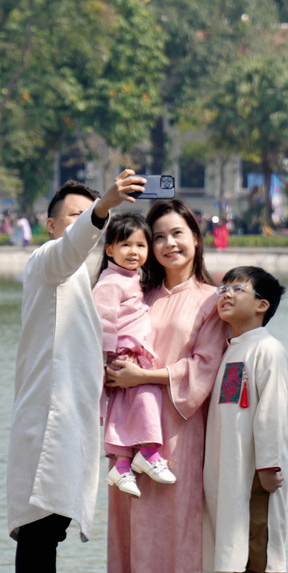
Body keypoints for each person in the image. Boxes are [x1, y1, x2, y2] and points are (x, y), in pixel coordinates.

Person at [4, 174, 143, 573]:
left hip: (67, 418)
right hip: (49, 417)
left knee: (49, 527)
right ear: (50, 225)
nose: (87, 223)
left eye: (93, 215)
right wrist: (103, 206)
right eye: (75, 215)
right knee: (40, 529)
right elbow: (71, 246)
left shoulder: (86, 279)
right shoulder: (49, 260)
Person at [103, 199, 229, 573]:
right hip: (130, 429)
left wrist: (144, 377)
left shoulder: (212, 300)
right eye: (158, 236)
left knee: (174, 531)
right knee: (129, 529)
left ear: (196, 237)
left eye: (177, 233)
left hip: (178, 430)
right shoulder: (135, 292)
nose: (168, 244)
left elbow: (204, 367)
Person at [203, 266, 288, 573]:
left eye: (237, 289)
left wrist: (269, 465)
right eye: (223, 287)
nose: (226, 294)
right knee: (229, 552)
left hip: (258, 474)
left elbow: (272, 412)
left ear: (261, 305)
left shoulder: (267, 349)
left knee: (264, 552)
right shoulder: (227, 349)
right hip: (225, 474)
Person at [93, 212, 177, 498]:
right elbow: (103, 322)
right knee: (146, 398)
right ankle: (149, 453)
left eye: (141, 245)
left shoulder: (131, 278)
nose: (134, 252)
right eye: (126, 245)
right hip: (122, 355)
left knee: (123, 410)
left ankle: (122, 464)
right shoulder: (111, 281)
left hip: (132, 353)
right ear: (109, 250)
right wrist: (108, 359)